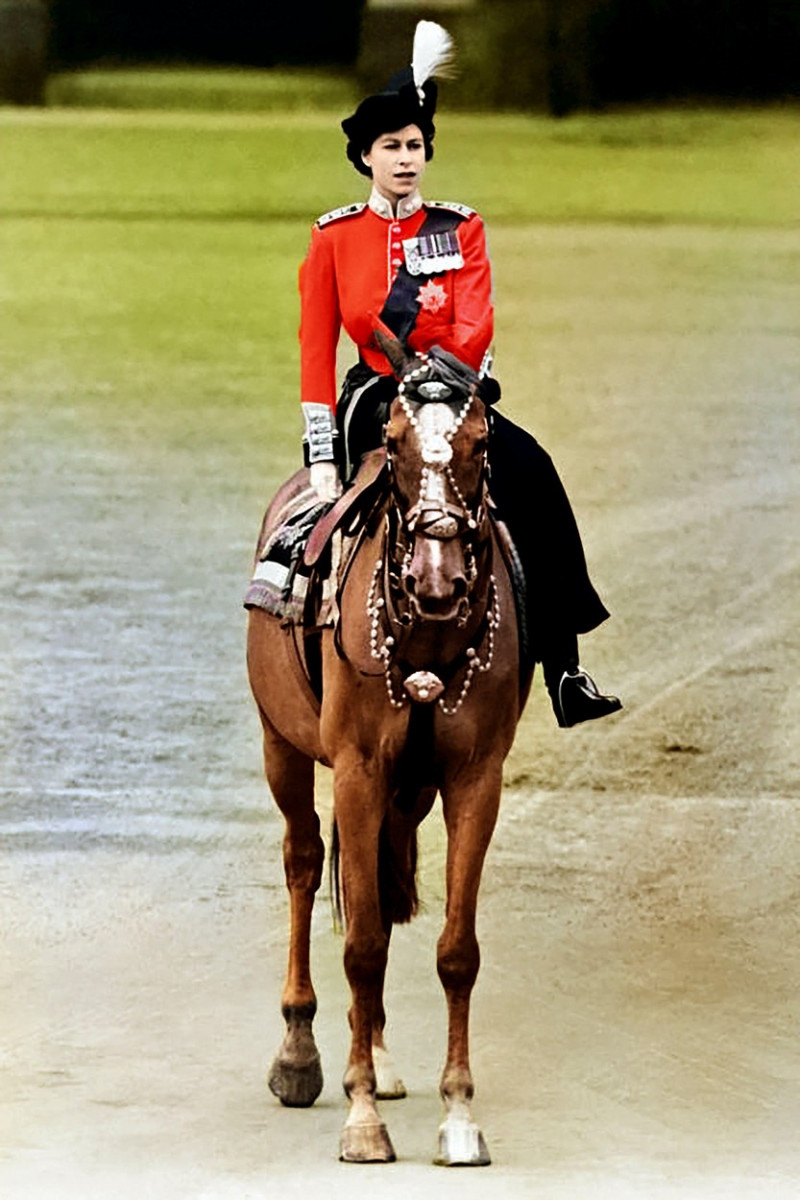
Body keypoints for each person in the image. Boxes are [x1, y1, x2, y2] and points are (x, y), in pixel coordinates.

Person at [298, 21, 621, 729]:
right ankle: (306, 651)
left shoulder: (459, 227)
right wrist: (322, 453)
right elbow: (315, 347)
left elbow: (476, 320)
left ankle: (563, 670)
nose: (406, 160)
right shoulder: (334, 238)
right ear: (364, 158)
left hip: (451, 389)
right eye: (391, 148)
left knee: (532, 474)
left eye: (415, 146)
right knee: (315, 525)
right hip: (376, 395)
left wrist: (444, 382)